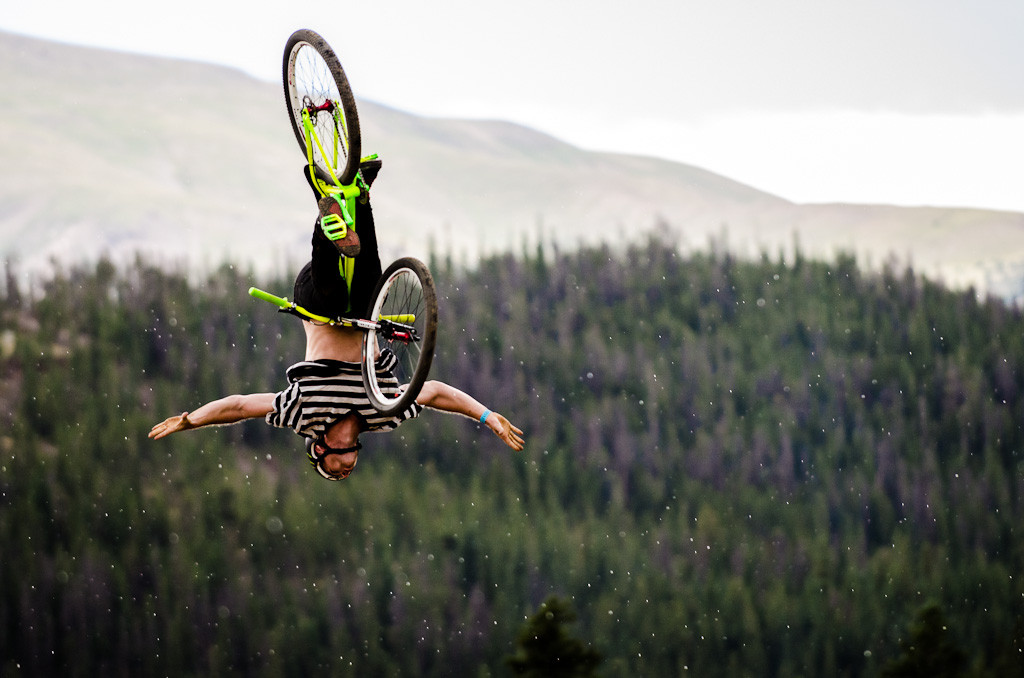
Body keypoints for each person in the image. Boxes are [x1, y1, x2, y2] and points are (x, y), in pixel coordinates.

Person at [149, 159, 524, 480]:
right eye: (346, 471)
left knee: (335, 298)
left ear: (320, 447)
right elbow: (437, 392)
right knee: (368, 290)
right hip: (363, 313)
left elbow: (241, 406)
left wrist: (191, 420)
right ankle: (360, 194)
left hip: (313, 298)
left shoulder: (304, 415)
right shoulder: (385, 413)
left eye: (333, 470)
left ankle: (324, 224)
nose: (344, 473)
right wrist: (486, 415)